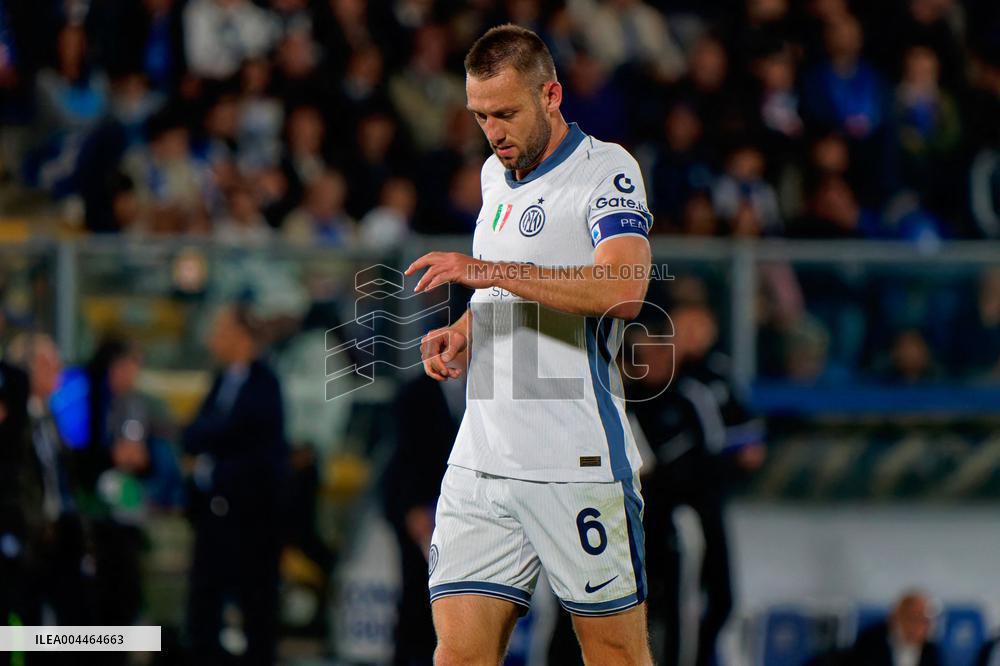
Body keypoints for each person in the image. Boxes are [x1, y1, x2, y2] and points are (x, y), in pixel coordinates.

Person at [405, 25, 655, 665]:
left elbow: (623, 289)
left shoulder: (606, 169)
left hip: (574, 459)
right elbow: (502, 286)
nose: (493, 132)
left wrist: (487, 271)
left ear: (551, 95)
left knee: (614, 654)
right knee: (458, 655)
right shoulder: (494, 175)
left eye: (506, 113)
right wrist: (465, 332)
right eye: (480, 116)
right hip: (482, 457)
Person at [627, 304, 765, 666]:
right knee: (655, 605)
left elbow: (725, 448)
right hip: (646, 521)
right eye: (646, 354)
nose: (656, 360)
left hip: (693, 514)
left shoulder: (692, 392)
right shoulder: (626, 402)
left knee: (710, 600)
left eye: (662, 351)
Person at [183, 303, 288, 666]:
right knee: (204, 607)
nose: (213, 339)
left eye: (221, 331)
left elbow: (246, 438)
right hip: (213, 513)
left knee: (256, 607)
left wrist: (213, 459)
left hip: (253, 518)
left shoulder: (265, 384)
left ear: (241, 337)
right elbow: (194, 433)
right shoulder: (220, 382)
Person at [850, 590, 943, 666]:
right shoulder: (870, 641)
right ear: (896, 617)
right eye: (913, 618)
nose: (919, 627)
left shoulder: (931, 650)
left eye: (924, 621)